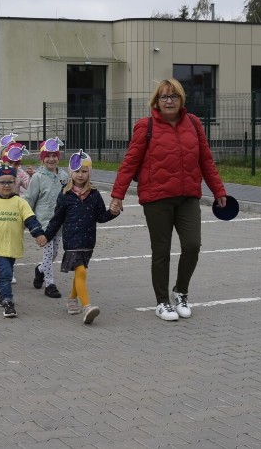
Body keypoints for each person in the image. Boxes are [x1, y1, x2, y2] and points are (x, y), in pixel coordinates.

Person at [110, 78, 228, 322]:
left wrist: (219, 191)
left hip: (188, 197)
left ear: (181, 99)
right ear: (156, 101)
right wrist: (117, 196)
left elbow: (206, 160)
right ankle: (162, 302)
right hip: (157, 198)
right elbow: (129, 163)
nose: (169, 100)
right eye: (164, 96)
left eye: (174, 96)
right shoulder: (146, 126)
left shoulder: (194, 124)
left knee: (192, 245)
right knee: (161, 251)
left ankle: (181, 292)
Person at [43, 150, 120, 325]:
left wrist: (114, 212)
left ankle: (72, 298)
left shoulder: (94, 194)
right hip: (71, 242)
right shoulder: (65, 195)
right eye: (77, 171)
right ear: (71, 172)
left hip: (88, 242)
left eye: (84, 171)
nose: (80, 175)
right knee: (81, 271)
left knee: (80, 272)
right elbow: (57, 219)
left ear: (89, 172)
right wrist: (46, 236)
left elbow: (101, 216)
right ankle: (87, 307)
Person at [0, 164, 47, 319]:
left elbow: (31, 220)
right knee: (5, 274)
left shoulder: (20, 202)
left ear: (15, 183)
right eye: (2, 182)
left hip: (13, 245)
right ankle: (8, 302)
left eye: (10, 182)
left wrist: (39, 234)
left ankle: (0, 292)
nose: (6, 186)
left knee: (8, 271)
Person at [25, 137, 69, 299]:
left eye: (54, 155)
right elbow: (30, 198)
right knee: (48, 253)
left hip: (59, 222)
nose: (51, 159)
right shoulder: (38, 177)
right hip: (44, 222)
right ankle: (49, 284)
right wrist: (26, 219)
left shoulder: (64, 176)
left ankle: (40, 270)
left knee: (55, 253)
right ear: (43, 158)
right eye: (47, 156)